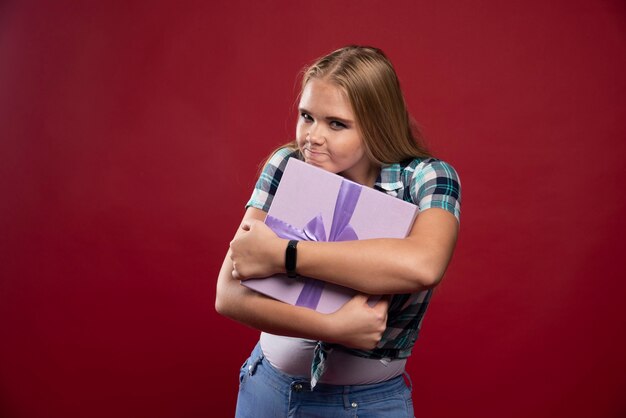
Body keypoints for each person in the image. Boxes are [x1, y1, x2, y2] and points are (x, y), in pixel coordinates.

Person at [215, 45, 461, 418]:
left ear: (377, 124)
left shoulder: (426, 178)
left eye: (336, 123)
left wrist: (283, 254)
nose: (312, 136)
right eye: (306, 116)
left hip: (368, 404)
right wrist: (335, 326)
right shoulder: (287, 164)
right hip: (267, 391)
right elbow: (228, 295)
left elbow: (423, 265)